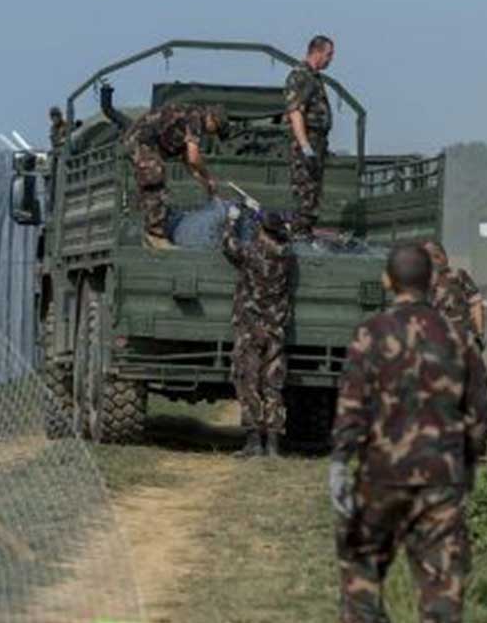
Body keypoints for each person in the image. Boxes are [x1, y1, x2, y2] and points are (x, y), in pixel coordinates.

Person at [326, 243, 487, 623]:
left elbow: (352, 407)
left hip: (381, 475)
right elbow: (478, 413)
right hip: (441, 477)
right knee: (442, 575)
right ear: (432, 282)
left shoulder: (371, 333)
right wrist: (468, 465)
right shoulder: (457, 338)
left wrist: (341, 463)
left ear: (388, 281)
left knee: (361, 562)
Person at [222, 205, 297, 458]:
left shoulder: (251, 252)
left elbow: (228, 245)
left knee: (249, 383)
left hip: (251, 329)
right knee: (273, 386)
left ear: (262, 230)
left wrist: (232, 219)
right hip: (275, 329)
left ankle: (254, 442)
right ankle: (274, 445)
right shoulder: (286, 255)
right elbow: (287, 237)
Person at [124, 102, 226, 250]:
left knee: (155, 179)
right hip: (141, 140)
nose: (212, 134)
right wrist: (209, 177)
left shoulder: (189, 122)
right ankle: (154, 236)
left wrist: (206, 184)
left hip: (150, 145)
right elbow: (193, 157)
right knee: (155, 173)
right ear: (212, 119)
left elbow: (188, 162)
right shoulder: (196, 118)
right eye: (215, 130)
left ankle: (149, 227)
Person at [283, 36, 336, 234]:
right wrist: (305, 146)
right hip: (308, 143)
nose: (330, 59)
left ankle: (304, 233)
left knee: (313, 195)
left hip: (317, 142)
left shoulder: (313, 77)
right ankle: (298, 236)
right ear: (317, 52)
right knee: (306, 195)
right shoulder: (301, 76)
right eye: (329, 54)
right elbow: (296, 112)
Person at [422, 240, 486, 352]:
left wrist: (479, 334)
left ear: (444, 255)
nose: (435, 260)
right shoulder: (419, 282)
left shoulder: (459, 275)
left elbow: (476, 304)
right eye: (429, 256)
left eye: (437, 255)